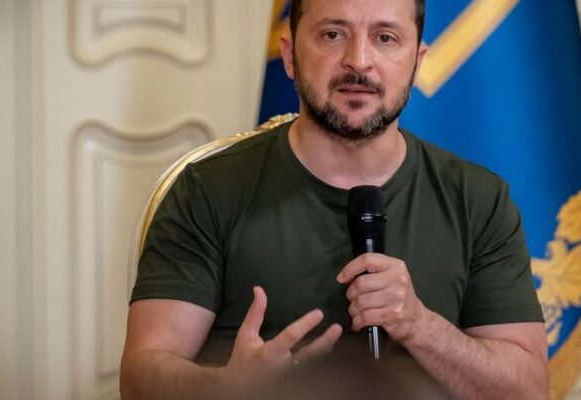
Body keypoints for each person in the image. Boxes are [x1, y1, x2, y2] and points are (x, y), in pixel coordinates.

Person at [119, 0, 549, 398]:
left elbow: (529, 391)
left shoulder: (478, 199)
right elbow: (140, 378)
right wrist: (227, 388)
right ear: (290, 56)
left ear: (417, 62)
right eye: (332, 34)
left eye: (385, 38)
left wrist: (419, 325)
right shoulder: (207, 190)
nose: (358, 61)